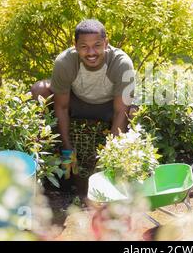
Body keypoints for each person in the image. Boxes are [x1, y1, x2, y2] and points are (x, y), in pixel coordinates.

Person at [31, 19, 135, 181]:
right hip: (78, 103)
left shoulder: (121, 63)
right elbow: (62, 107)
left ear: (106, 43)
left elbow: (121, 111)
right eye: (84, 46)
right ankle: (43, 156)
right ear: (75, 45)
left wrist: (106, 158)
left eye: (97, 45)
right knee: (40, 90)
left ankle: (119, 168)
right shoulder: (65, 62)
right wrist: (68, 151)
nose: (91, 52)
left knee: (132, 111)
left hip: (108, 108)